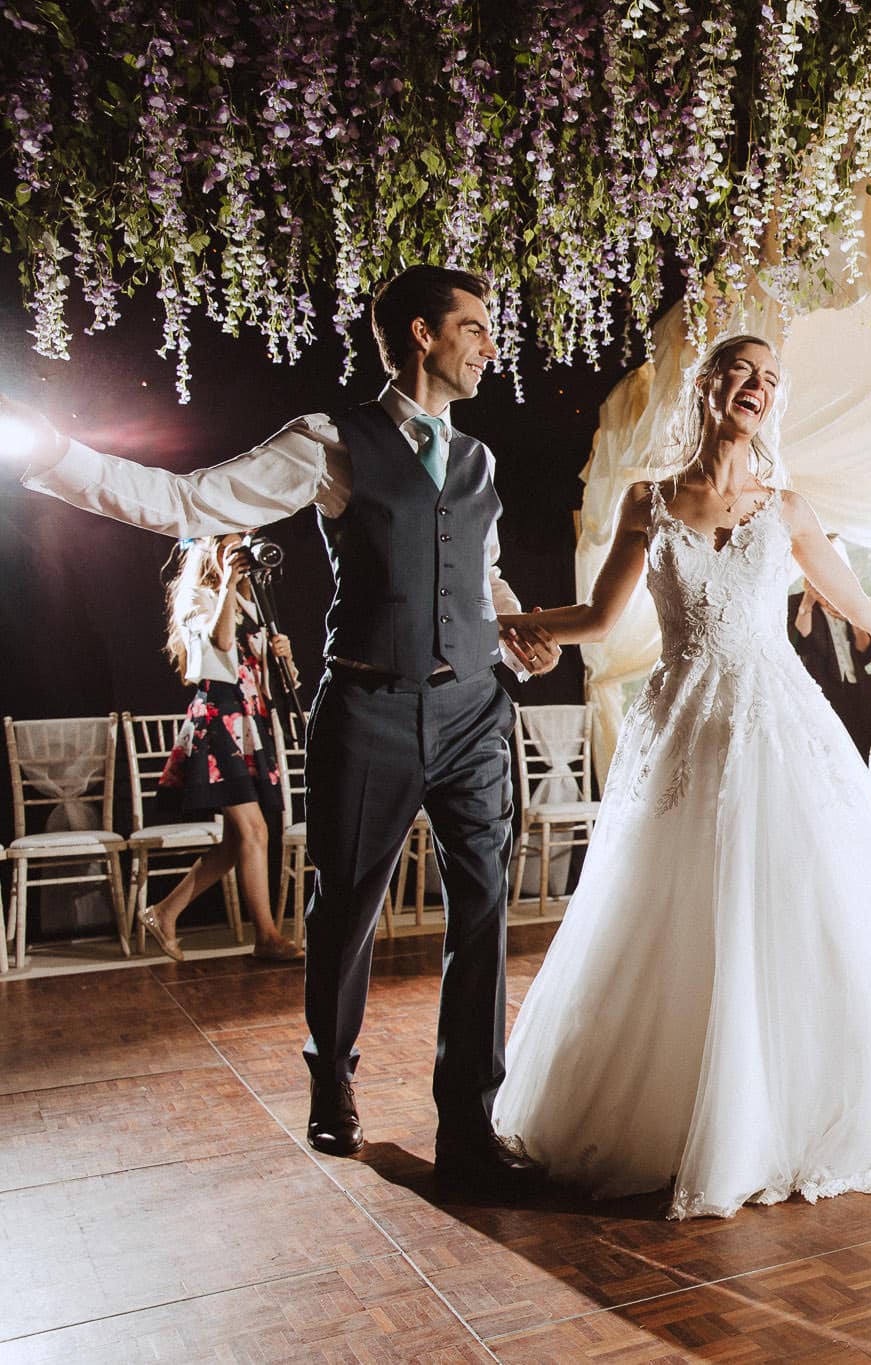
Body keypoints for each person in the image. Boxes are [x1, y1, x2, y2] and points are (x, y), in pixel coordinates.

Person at [8, 265, 560, 1193]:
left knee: (483, 912)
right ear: (421, 335)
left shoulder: (480, 461)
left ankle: (469, 1125)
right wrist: (55, 455)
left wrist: (512, 629)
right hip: (370, 709)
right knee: (344, 911)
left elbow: (481, 571)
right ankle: (332, 1080)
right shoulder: (328, 442)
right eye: (474, 328)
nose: (490, 346)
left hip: (473, 712)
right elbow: (189, 504)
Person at [491, 335, 871, 1217]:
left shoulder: (786, 508)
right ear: (707, 386)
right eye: (742, 372)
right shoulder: (648, 500)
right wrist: (504, 618)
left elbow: (856, 608)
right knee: (676, 905)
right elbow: (597, 616)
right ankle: (683, 1107)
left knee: (800, 894)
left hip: (776, 719)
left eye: (771, 380)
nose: (757, 387)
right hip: (684, 726)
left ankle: (801, 1102)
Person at [135, 533, 302, 963]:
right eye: (229, 545)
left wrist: (282, 656)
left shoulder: (253, 605)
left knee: (236, 843)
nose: (238, 553)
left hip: (250, 720)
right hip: (217, 719)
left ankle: (163, 912)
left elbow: (272, 681)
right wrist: (227, 585)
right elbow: (222, 644)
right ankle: (265, 936)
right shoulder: (199, 597)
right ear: (209, 551)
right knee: (254, 832)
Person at [789, 563, 871, 764]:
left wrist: (855, 619)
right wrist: (808, 602)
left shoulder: (847, 605)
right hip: (825, 692)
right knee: (830, 758)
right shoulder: (796, 603)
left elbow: (866, 654)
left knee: (860, 754)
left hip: (858, 693)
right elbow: (802, 642)